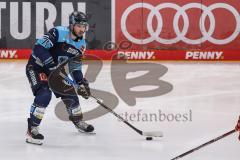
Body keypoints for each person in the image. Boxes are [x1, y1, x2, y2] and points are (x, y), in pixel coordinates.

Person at [25, 11, 94, 145]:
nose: (82, 29)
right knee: (44, 94)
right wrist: (49, 63)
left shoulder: (81, 44)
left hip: (56, 72)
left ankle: (78, 121)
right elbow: (38, 48)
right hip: (37, 67)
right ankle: (32, 128)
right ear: (72, 24)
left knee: (71, 95)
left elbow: (75, 65)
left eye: (84, 26)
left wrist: (80, 82)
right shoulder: (58, 32)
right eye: (79, 26)